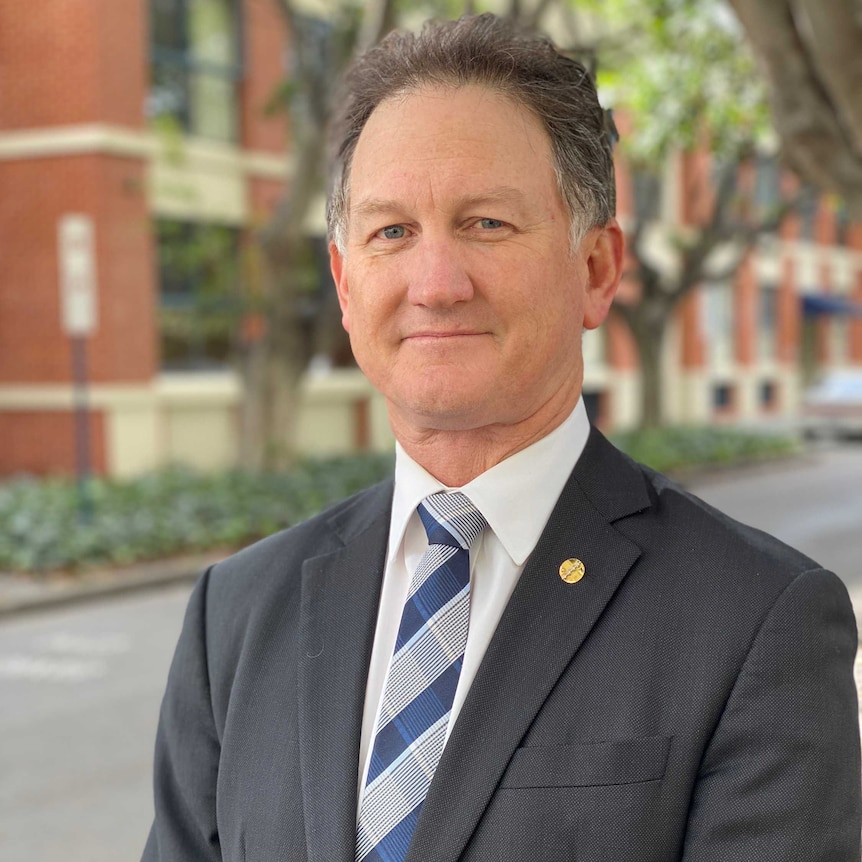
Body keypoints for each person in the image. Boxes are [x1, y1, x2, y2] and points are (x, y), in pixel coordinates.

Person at [142, 14, 860, 862]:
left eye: (486, 223)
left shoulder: (755, 622)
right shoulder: (235, 615)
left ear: (595, 270)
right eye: (392, 232)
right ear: (344, 283)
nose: (436, 285)